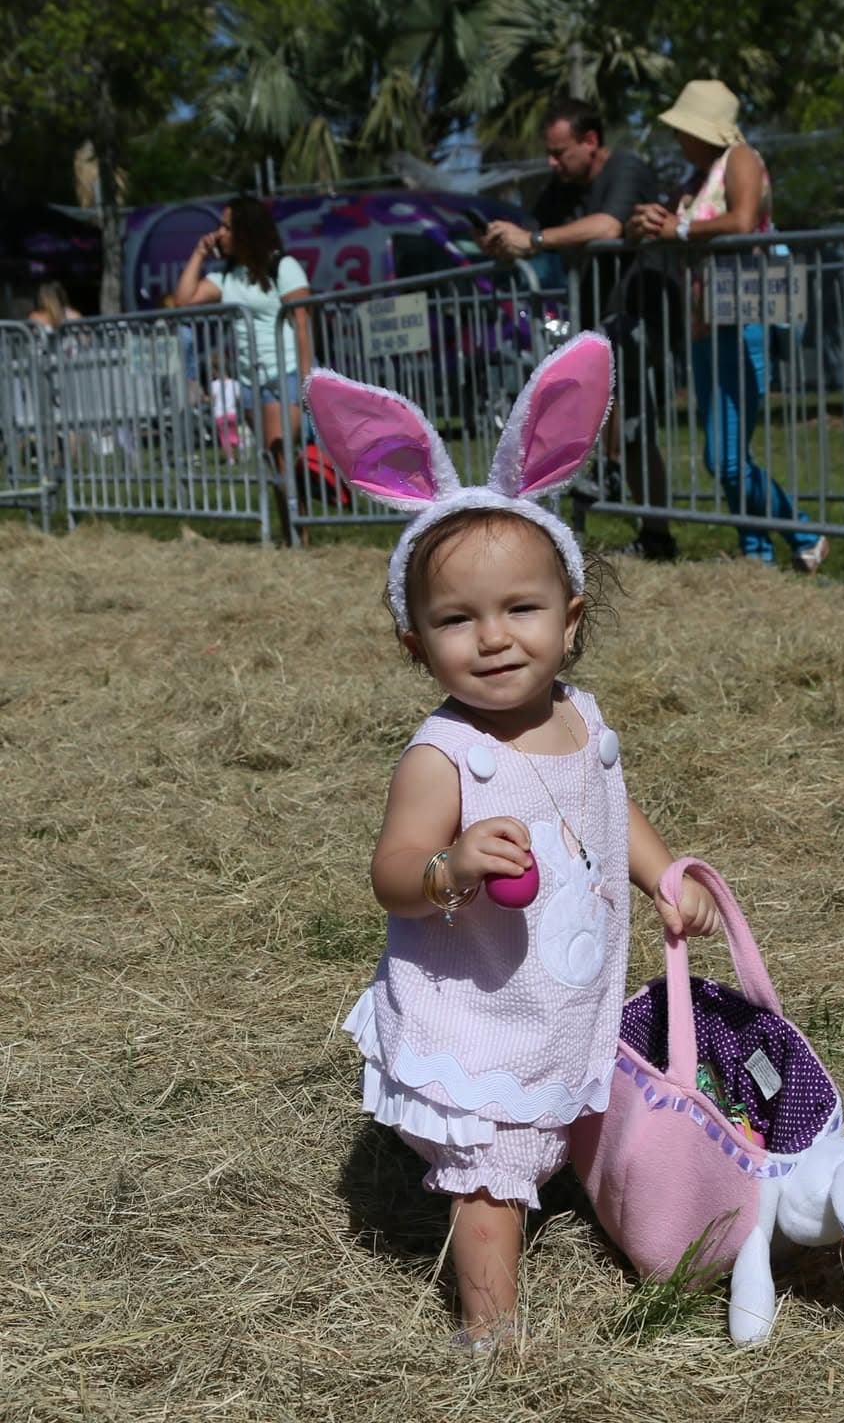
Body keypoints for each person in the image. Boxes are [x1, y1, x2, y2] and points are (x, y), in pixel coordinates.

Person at [305, 333, 722, 1351]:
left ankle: (617, 1209)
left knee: (567, 1117)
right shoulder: (444, 754)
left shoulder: (582, 716)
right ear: (416, 642)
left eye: (521, 609)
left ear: (571, 619)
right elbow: (391, 874)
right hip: (476, 1007)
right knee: (493, 1165)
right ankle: (494, 1329)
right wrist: (447, 868)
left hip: (560, 984)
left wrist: (663, 869)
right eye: (457, 619)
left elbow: (612, 809)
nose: (493, 637)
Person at [627, 81, 829, 573]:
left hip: (742, 322)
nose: (678, 139)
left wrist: (674, 228)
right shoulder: (697, 178)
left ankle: (803, 531)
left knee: (725, 458)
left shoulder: (740, 160)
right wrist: (645, 224)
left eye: (684, 130)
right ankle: (756, 556)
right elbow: (677, 226)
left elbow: (742, 220)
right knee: (726, 455)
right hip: (705, 325)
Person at [480, 97, 678, 561]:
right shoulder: (563, 185)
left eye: (560, 151)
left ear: (591, 142)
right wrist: (501, 238)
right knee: (611, 429)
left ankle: (649, 527)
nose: (552, 162)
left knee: (631, 428)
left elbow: (608, 226)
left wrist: (533, 241)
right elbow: (531, 227)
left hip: (639, 316)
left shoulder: (626, 168)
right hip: (596, 325)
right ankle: (640, 530)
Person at [175, 196, 313, 542]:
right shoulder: (225, 277)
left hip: (287, 374)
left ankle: (303, 536)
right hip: (252, 380)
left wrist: (310, 380)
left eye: (226, 226)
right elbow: (184, 300)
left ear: (245, 230)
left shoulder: (283, 267)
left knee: (281, 455)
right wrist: (199, 253)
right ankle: (291, 534)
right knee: (273, 459)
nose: (219, 232)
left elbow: (302, 322)